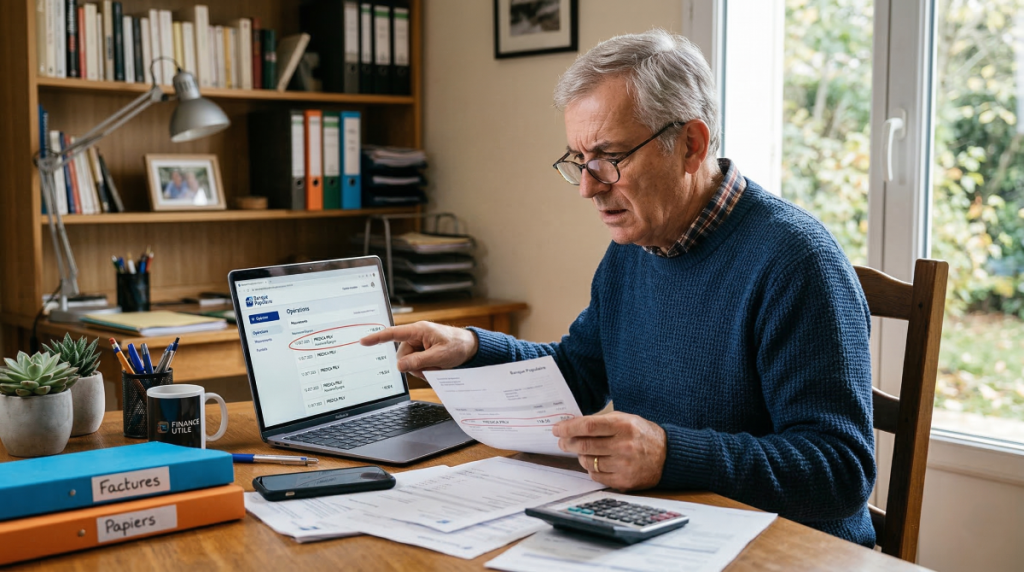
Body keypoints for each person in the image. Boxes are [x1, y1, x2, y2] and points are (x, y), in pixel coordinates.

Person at [360, 29, 876, 547]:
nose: (588, 186)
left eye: (609, 157)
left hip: (787, 548)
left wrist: (670, 454)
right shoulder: (635, 247)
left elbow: (840, 470)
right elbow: (578, 374)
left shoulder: (796, 260)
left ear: (691, 145)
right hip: (666, 528)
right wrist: (471, 347)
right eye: (579, 160)